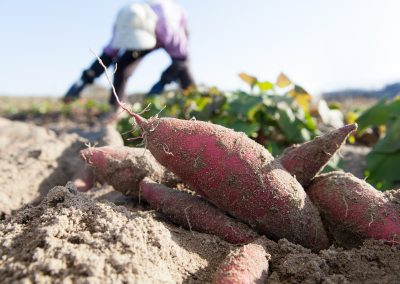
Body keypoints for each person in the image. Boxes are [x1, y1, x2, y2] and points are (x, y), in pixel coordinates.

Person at [63, 0, 195, 110]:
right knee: (121, 67)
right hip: (144, 29)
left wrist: (163, 81)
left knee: (183, 70)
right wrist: (84, 80)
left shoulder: (169, 28)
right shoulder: (123, 23)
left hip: (167, 29)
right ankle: (115, 108)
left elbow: (181, 59)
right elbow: (107, 56)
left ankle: (195, 103)